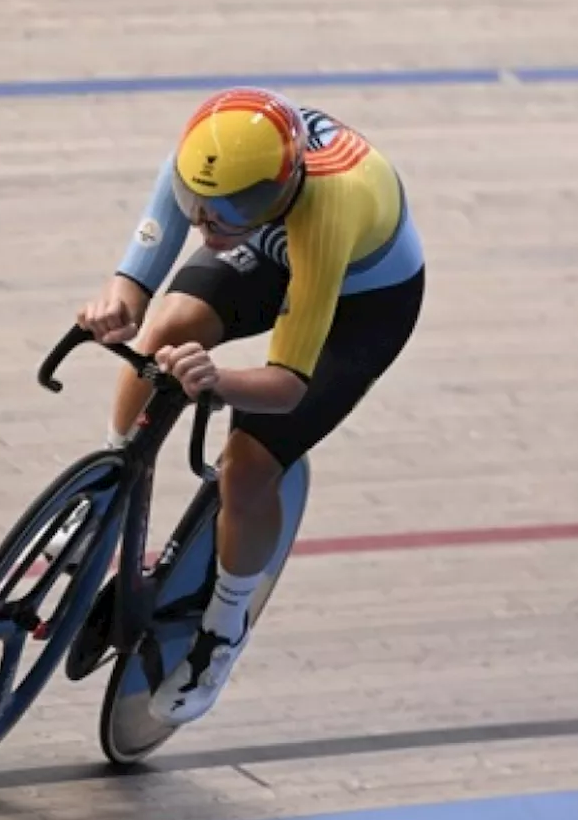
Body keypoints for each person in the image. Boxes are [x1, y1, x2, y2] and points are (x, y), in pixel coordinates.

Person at [75, 86, 426, 726]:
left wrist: (216, 380)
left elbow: (288, 384)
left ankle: (224, 627)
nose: (206, 222)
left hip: (358, 303)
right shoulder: (214, 160)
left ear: (281, 185)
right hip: (265, 245)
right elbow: (141, 269)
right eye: (198, 205)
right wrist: (120, 299)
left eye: (229, 207)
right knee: (161, 336)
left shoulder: (326, 205)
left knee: (247, 465)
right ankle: (106, 494)